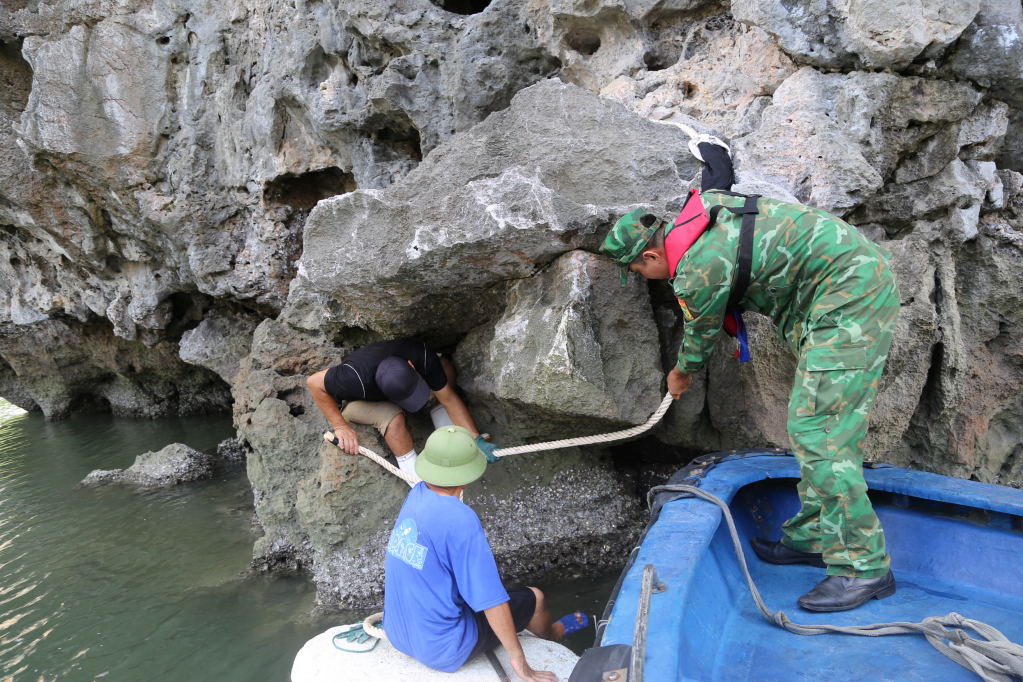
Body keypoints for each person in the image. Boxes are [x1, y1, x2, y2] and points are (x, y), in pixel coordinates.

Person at [598, 139, 899, 612]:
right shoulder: (699, 213)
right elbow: (717, 176)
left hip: (849, 295)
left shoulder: (696, 270)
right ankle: (816, 536)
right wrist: (713, 151)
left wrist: (679, 376)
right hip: (831, 294)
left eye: (636, 269)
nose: (640, 276)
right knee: (812, 426)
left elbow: (700, 334)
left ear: (653, 257)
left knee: (820, 432)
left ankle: (864, 567)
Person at [383, 425, 587, 680]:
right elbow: (491, 601)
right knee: (534, 597)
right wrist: (520, 661)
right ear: (467, 476)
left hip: (398, 634)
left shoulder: (416, 495)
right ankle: (554, 633)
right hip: (443, 648)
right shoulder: (461, 520)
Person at [307, 339, 499, 480]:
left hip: (388, 373)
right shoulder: (353, 379)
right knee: (393, 419)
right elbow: (314, 383)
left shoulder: (419, 353)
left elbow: (448, 397)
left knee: (445, 368)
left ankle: (441, 417)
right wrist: (340, 426)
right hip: (356, 401)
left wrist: (476, 439)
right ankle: (418, 482)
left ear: (411, 365)